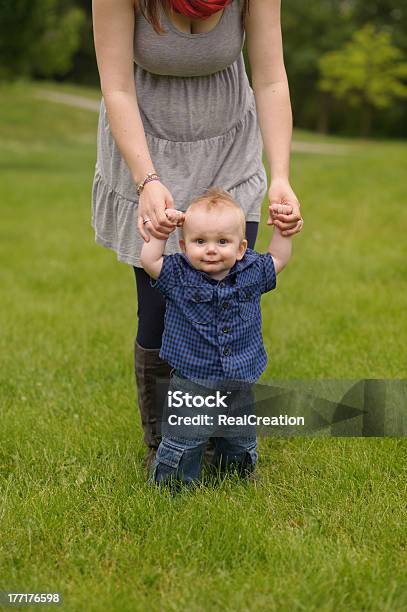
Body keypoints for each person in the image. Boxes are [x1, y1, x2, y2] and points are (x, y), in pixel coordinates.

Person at [91, 0, 303, 468]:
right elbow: (116, 88)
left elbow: (270, 78)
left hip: (228, 143)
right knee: (161, 305)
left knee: (230, 293)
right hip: (147, 146)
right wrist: (147, 181)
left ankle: (219, 437)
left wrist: (282, 175)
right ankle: (164, 443)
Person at [140, 186, 292, 485]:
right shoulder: (178, 274)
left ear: (240, 247)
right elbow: (150, 261)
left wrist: (283, 231)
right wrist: (160, 234)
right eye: (200, 241)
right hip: (193, 378)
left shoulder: (251, 271)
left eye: (222, 241)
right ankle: (175, 486)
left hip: (240, 376)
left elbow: (279, 259)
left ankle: (233, 479)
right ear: (184, 246)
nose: (211, 249)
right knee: (185, 439)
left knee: (238, 438)